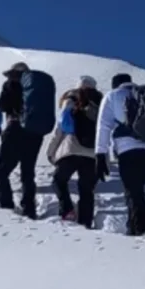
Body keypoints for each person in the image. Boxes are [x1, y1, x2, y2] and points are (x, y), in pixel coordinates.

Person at [96, 74, 145, 236]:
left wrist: (100, 153)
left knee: (133, 188)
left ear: (115, 84)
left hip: (126, 147)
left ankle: (140, 228)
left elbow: (104, 125)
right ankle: (133, 226)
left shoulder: (113, 96)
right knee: (136, 187)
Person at [0, 62, 57, 218]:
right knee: (27, 173)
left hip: (15, 129)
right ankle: (29, 209)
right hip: (35, 133)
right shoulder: (37, 87)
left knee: (1, 172)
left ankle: (7, 207)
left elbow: (2, 105)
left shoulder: (11, 85)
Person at [45, 76, 103, 226]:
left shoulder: (71, 99)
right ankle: (86, 223)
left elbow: (61, 129)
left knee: (59, 180)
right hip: (93, 154)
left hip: (71, 149)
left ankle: (67, 210)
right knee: (87, 190)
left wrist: (51, 151)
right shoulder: (101, 103)